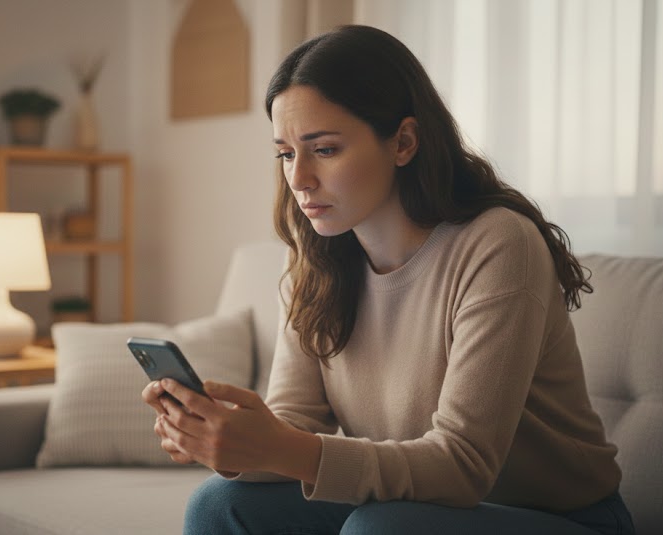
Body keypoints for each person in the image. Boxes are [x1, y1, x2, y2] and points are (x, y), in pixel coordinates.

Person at [142, 24, 636, 535]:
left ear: (403, 142)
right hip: (415, 507)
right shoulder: (315, 262)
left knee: (380, 528)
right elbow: (296, 425)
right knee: (219, 504)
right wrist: (229, 442)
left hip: (558, 519)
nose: (299, 178)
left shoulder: (498, 244)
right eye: (286, 154)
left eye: (325, 149)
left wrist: (286, 448)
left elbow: (464, 466)